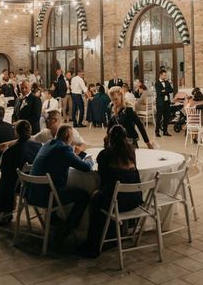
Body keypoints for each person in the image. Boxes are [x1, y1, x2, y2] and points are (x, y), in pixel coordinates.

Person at [78, 124, 142, 258]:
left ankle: (94, 243)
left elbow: (103, 177)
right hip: (134, 200)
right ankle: (117, 233)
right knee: (103, 196)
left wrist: (105, 145)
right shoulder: (131, 151)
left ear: (109, 138)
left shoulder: (105, 154)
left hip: (116, 202)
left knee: (95, 198)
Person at [29, 125, 92, 230]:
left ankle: (54, 221)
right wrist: (89, 159)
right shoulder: (64, 148)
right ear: (68, 136)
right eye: (72, 136)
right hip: (47, 198)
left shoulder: (47, 144)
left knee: (55, 186)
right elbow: (86, 168)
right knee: (83, 196)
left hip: (31, 194)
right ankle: (67, 229)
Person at [0, 120, 42, 228]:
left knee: (2, 182)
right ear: (30, 131)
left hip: (20, 186)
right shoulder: (39, 146)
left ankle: (4, 212)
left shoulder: (10, 151)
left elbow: (6, 173)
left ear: (16, 133)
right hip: (37, 184)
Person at [154, 69, 173, 137]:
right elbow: (159, 93)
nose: (165, 76)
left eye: (166, 75)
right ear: (160, 75)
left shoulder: (167, 82)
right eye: (164, 75)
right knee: (159, 118)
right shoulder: (157, 83)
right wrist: (166, 90)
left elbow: (171, 90)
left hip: (167, 102)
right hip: (160, 103)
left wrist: (164, 90)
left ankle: (165, 131)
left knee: (166, 117)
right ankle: (157, 132)